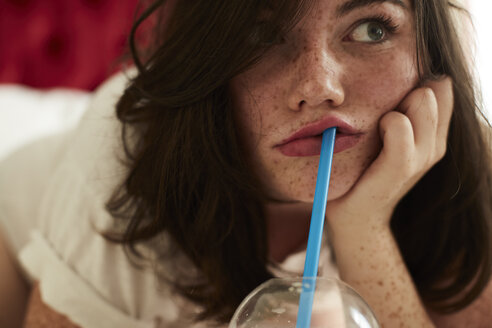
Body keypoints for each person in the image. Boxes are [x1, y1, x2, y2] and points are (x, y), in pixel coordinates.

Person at [1, 0, 491, 327]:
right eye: (260, 35)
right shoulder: (123, 161)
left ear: (431, 51)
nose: (319, 85)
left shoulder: (471, 166)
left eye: (372, 28)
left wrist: (364, 228)